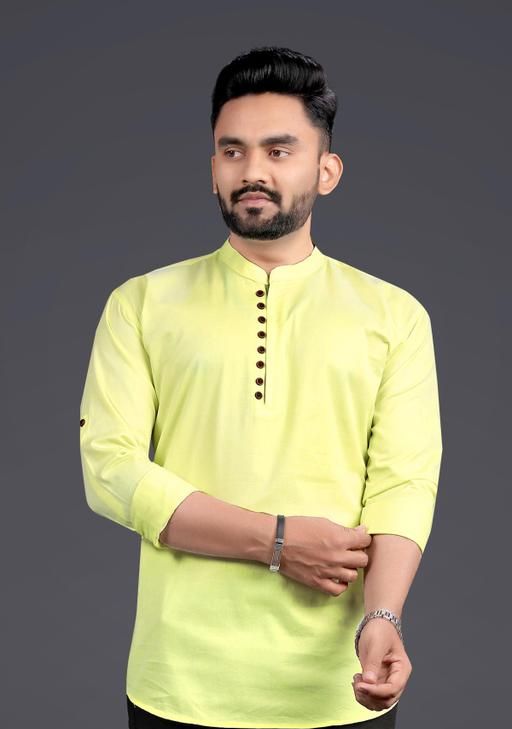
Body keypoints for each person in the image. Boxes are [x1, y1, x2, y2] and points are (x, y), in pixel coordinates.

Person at [79, 46, 443, 729]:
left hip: (338, 686)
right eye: (232, 151)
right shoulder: (142, 303)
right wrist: (275, 540)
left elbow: (404, 481)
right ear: (212, 169)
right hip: (180, 685)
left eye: (279, 151)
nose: (252, 170)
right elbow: (110, 470)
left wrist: (383, 617)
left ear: (326, 171)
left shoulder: (394, 315)